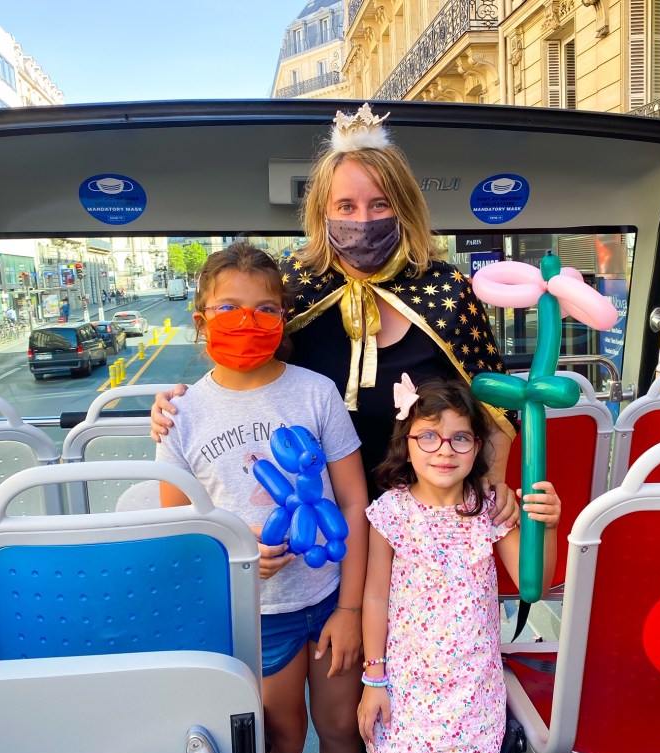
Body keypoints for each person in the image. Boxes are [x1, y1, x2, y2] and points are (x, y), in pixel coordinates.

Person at [152, 103, 519, 519]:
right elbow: (243, 357)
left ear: (405, 209)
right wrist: (180, 407)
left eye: (380, 204)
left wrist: (491, 481)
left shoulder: (446, 289)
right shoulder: (293, 282)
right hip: (312, 514)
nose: (363, 220)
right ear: (322, 213)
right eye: (346, 206)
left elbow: (493, 400)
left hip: (424, 513)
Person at [156, 242, 368, 753]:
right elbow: (177, 529)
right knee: (282, 739)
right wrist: (235, 545)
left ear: (283, 318)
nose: (247, 321)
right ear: (202, 319)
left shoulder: (317, 393)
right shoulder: (181, 414)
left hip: (329, 596)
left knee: (342, 728)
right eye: (229, 308)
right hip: (256, 613)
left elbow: (353, 501)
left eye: (265, 309)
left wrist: (350, 609)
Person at [356, 377, 560, 753]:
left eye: (460, 438)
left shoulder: (490, 509)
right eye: (428, 436)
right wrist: (373, 679)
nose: (445, 450)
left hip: (474, 699)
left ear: (478, 446)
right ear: (406, 444)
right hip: (405, 694)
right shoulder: (389, 513)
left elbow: (532, 586)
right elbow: (375, 597)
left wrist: (547, 528)